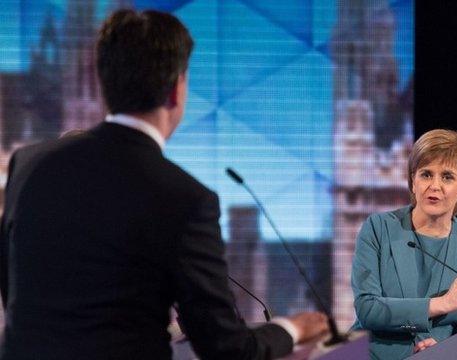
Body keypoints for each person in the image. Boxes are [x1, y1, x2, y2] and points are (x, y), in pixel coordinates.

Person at [0, 9, 328, 360]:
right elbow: (227, 350)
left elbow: (15, 290)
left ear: (105, 83)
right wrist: (291, 329)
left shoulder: (28, 163)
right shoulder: (185, 199)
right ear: (176, 90)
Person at [351, 129, 457, 359]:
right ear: (413, 182)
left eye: (447, 177)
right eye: (426, 174)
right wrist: (441, 304)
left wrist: (444, 347)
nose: (434, 186)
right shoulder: (378, 228)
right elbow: (368, 310)